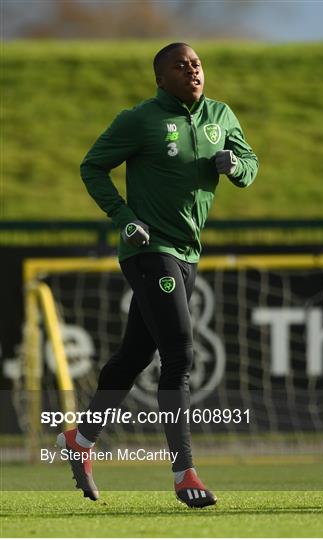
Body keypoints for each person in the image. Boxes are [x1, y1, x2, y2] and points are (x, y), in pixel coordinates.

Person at [56, 42, 258, 508]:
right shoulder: (140, 120)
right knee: (180, 353)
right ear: (160, 78)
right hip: (149, 250)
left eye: (197, 64)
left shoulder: (221, 116)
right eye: (180, 65)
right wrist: (123, 216)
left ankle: (80, 441)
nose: (192, 69)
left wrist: (238, 166)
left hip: (188, 252)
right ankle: (184, 472)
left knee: (132, 356)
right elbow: (92, 167)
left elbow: (251, 164)